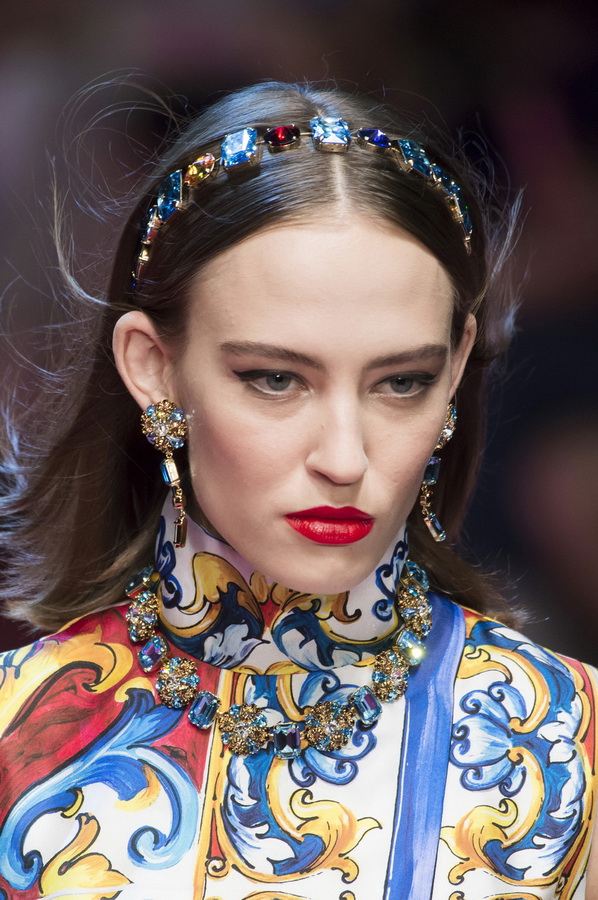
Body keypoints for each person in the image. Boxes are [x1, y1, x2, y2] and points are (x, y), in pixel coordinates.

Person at [0, 80, 596, 899]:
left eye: (402, 382)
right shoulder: (13, 740)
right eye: (275, 379)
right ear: (153, 367)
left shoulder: (572, 742)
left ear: (456, 370)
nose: (344, 458)